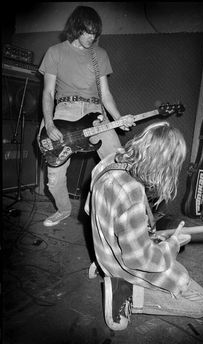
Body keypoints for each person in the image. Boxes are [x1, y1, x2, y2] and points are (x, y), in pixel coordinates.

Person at [85, 121, 203, 330]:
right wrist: (172, 246)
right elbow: (140, 259)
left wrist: (145, 235)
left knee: (157, 242)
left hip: (104, 254)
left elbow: (89, 210)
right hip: (122, 266)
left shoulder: (108, 162)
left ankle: (103, 269)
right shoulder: (132, 192)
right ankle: (128, 294)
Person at [37, 5, 134, 227]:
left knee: (120, 164)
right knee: (54, 180)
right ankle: (63, 210)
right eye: (86, 32)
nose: (91, 37)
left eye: (94, 33)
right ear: (75, 28)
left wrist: (118, 119)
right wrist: (50, 123)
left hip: (94, 113)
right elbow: (48, 93)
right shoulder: (55, 52)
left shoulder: (99, 55)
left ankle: (122, 219)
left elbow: (106, 94)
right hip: (63, 112)